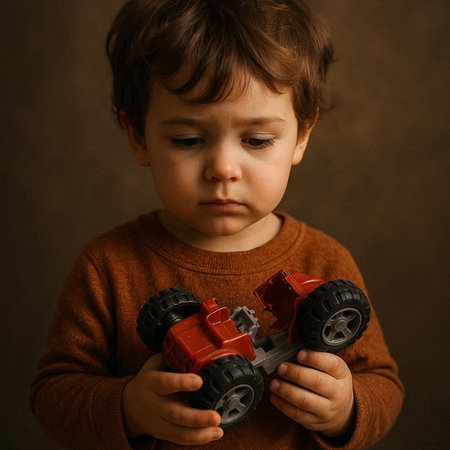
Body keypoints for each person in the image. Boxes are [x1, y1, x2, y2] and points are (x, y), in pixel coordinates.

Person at [30, 1, 404, 449]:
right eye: (188, 140)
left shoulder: (325, 260)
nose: (223, 168)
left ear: (301, 135)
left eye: (257, 140)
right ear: (138, 136)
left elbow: (383, 385)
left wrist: (345, 409)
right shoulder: (108, 266)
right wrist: (129, 407)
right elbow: (52, 397)